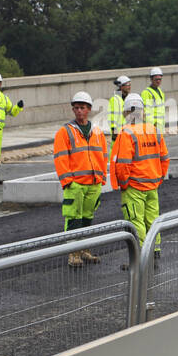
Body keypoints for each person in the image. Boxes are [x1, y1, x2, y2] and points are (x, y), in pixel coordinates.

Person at [52, 92, 108, 267]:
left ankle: (84, 249)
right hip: (75, 184)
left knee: (87, 218)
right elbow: (61, 158)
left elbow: (103, 155)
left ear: (89, 109)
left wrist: (101, 177)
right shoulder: (65, 132)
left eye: (82, 108)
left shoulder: (96, 132)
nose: (79, 111)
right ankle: (73, 253)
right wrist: (68, 181)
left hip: (93, 183)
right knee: (73, 219)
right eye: (76, 108)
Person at [111, 93, 169, 260]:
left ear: (126, 113)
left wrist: (124, 183)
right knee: (152, 220)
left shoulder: (126, 133)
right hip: (152, 185)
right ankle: (155, 249)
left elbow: (123, 163)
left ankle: (141, 257)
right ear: (142, 112)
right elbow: (164, 158)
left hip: (134, 186)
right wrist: (159, 177)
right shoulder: (154, 130)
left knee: (136, 221)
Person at [105, 76, 132, 143]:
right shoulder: (115, 99)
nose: (129, 87)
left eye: (130, 84)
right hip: (118, 135)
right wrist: (114, 131)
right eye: (127, 85)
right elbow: (112, 117)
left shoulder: (127, 99)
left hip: (126, 134)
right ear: (121, 86)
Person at [141, 68, 166, 135]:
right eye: (156, 79)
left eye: (160, 79)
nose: (158, 81)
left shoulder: (160, 91)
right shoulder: (147, 93)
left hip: (160, 126)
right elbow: (147, 112)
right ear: (151, 79)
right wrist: (151, 126)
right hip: (153, 127)